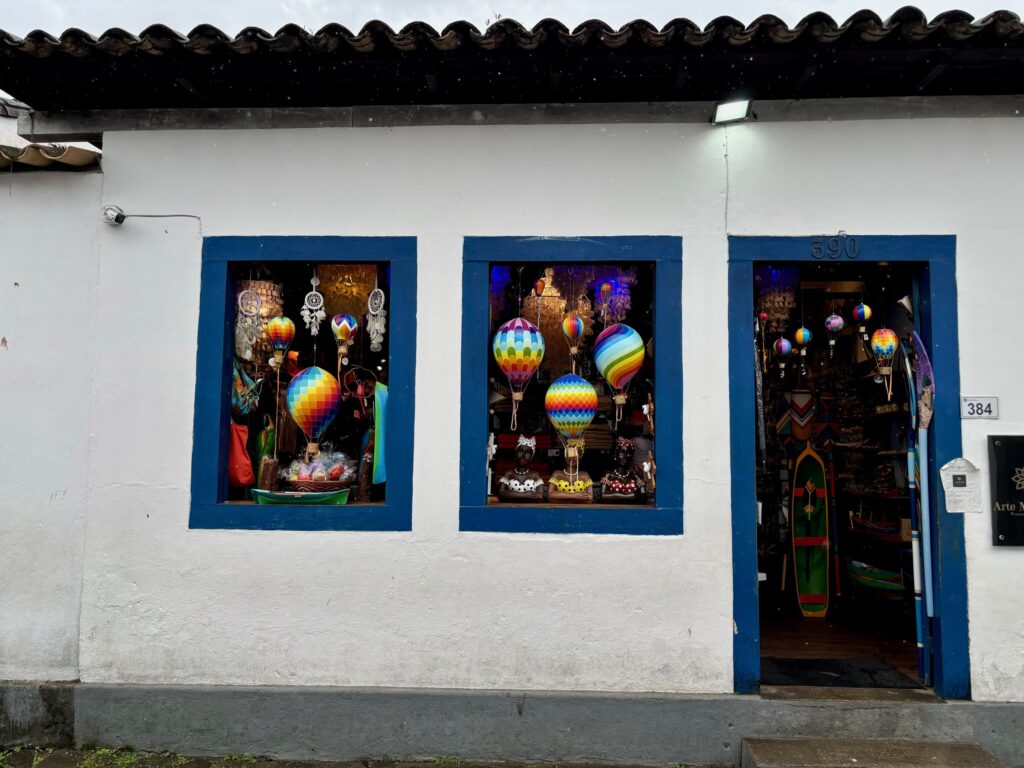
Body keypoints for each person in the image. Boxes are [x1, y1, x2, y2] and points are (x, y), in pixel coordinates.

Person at [497, 435, 546, 502]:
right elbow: (501, 493)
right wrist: (525, 495)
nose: (523, 455)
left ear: (532, 456)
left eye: (527, 453)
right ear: (516, 453)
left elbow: (540, 496)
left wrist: (511, 494)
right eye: (520, 451)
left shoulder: (535, 475)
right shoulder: (509, 473)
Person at [600, 436, 647, 502]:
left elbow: (643, 496)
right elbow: (603, 496)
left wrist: (615, 496)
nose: (625, 457)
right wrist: (631, 496)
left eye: (628, 454)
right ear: (616, 455)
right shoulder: (608, 475)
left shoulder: (635, 476)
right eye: (622, 453)